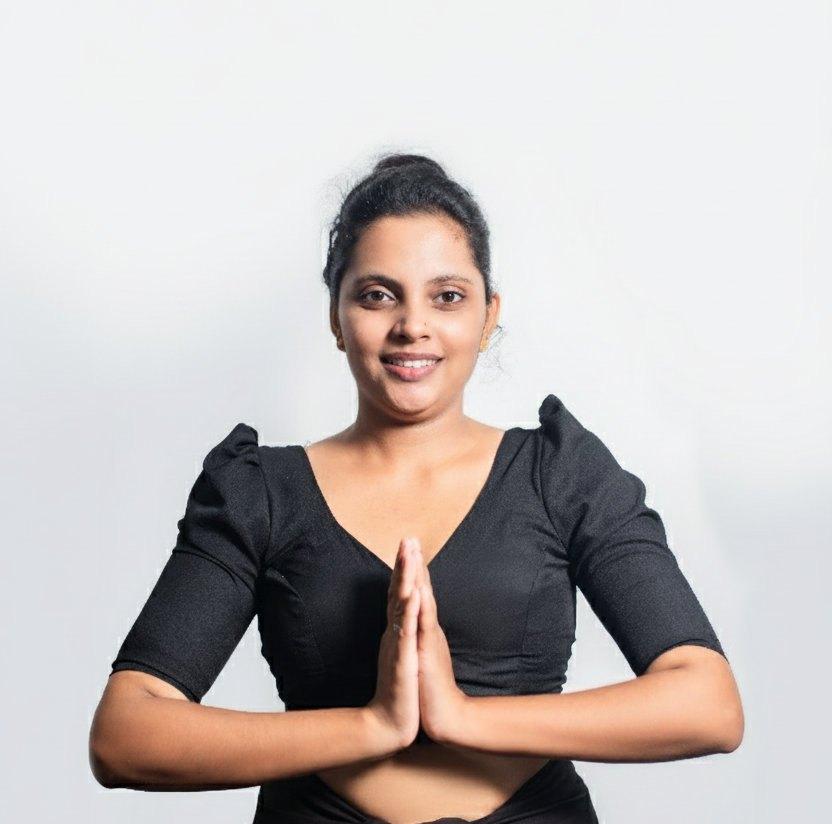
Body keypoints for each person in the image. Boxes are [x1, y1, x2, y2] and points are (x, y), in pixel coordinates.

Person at [89, 153, 744, 823]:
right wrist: (374, 725)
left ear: (488, 316)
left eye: (447, 296)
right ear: (336, 316)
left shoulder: (561, 474)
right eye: (378, 295)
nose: (412, 325)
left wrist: (461, 717)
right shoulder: (259, 493)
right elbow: (125, 735)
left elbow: (708, 705)